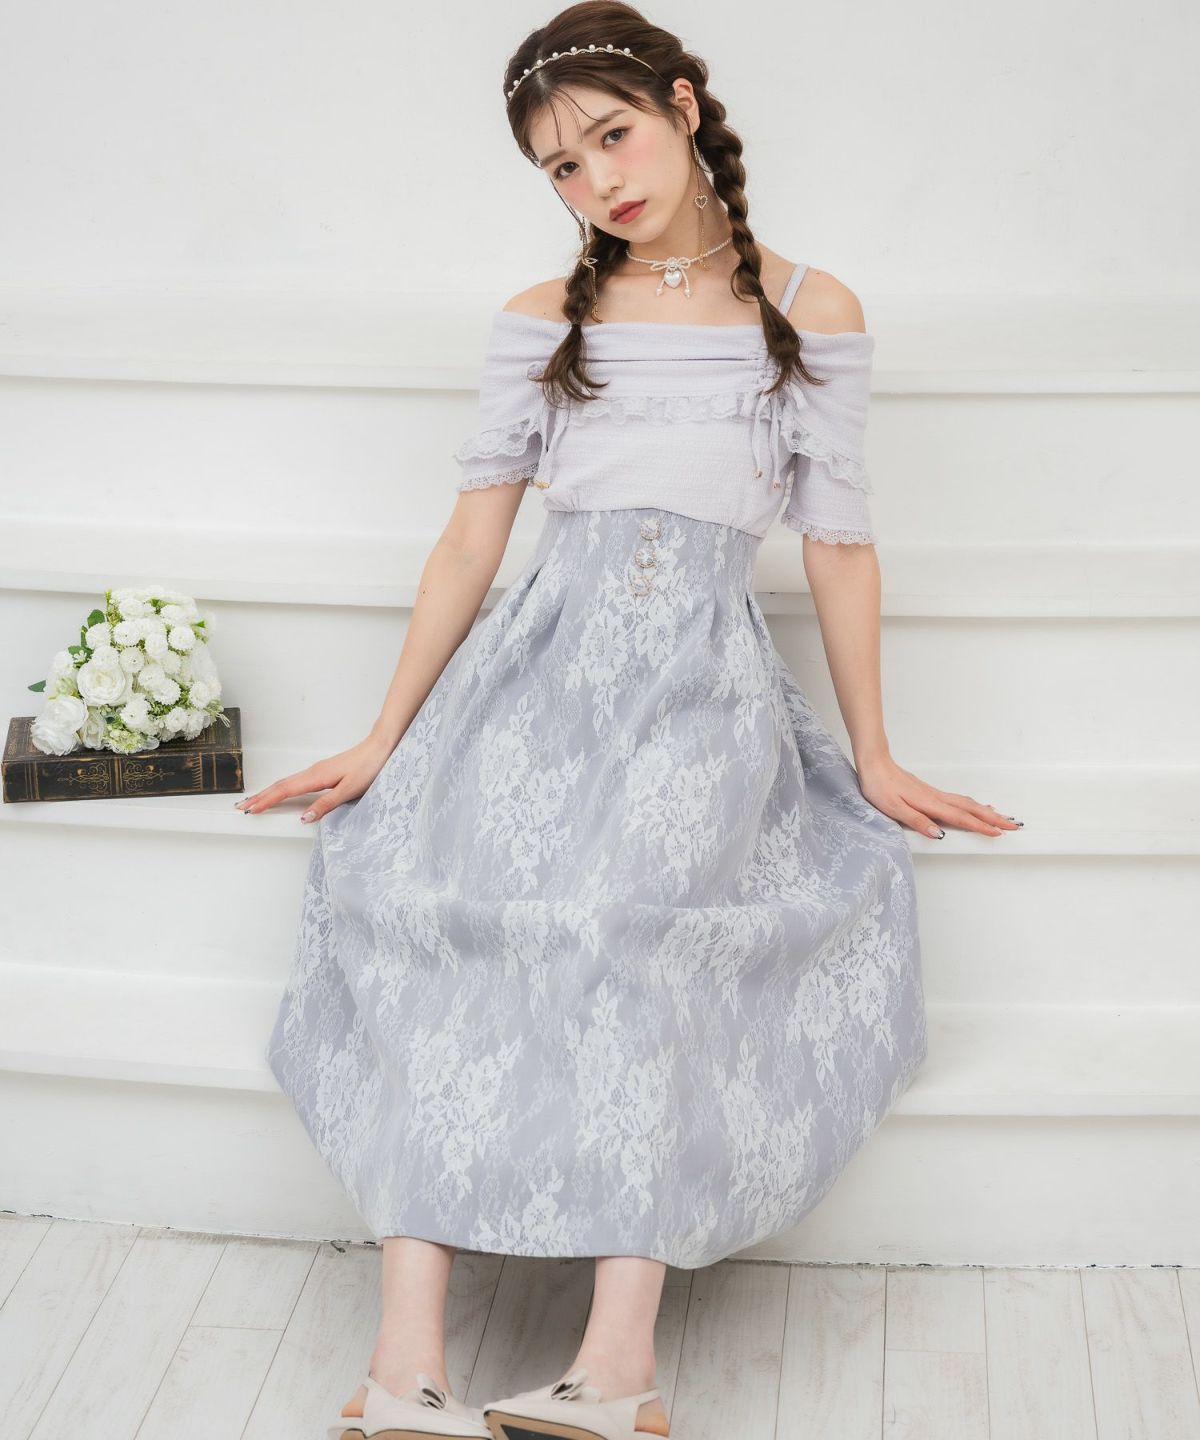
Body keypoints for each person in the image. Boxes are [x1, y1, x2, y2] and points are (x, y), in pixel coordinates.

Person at [244, 5, 1022, 1438]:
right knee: (435, 903)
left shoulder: (811, 308)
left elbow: (840, 546)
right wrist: (385, 736)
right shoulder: (547, 314)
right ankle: (403, 1369)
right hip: (529, 680)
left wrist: (872, 753)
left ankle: (617, 1370)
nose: (597, 179)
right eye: (561, 164)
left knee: (634, 929)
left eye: (614, 135)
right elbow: (471, 543)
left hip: (700, 691)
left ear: (681, 107)